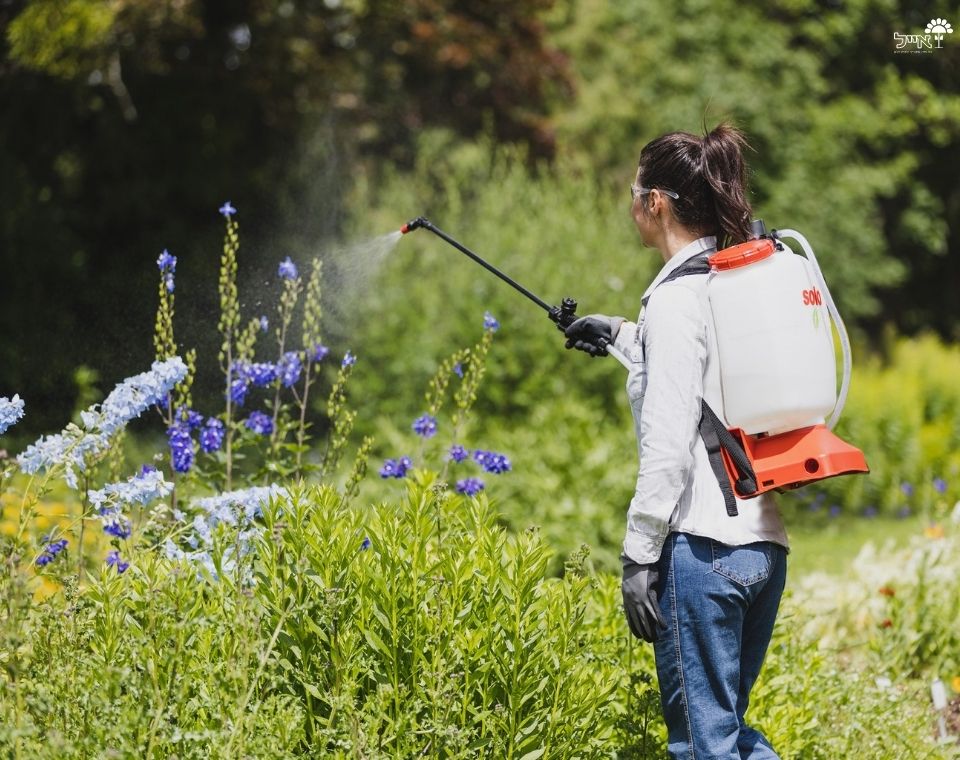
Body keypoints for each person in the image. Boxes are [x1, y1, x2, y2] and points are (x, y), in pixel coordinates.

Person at [564, 124, 790, 759]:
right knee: (727, 735)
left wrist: (638, 556)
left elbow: (667, 441)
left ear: (655, 202)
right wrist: (615, 334)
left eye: (634, 192)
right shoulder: (736, 279)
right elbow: (702, 378)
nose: (631, 204)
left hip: (703, 552)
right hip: (762, 547)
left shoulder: (674, 300)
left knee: (699, 745)